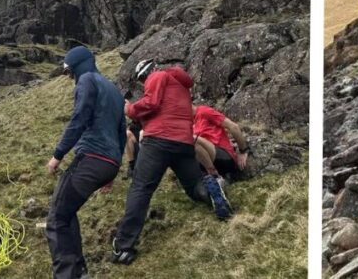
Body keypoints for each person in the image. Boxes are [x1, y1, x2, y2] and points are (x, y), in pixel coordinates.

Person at [111, 60, 231, 265]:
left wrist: (129, 109)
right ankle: (212, 191)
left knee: (141, 188)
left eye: (142, 78)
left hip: (158, 141)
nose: (143, 83)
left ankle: (123, 246)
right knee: (194, 186)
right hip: (183, 143)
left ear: (146, 72)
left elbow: (151, 103)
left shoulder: (157, 76)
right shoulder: (182, 87)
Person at [45, 45, 126, 279]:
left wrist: (58, 155)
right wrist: (113, 170)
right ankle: (79, 271)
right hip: (108, 163)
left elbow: (80, 117)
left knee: (57, 218)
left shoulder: (87, 80)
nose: (70, 78)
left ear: (77, 66)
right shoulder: (113, 89)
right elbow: (122, 133)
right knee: (67, 212)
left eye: (70, 72)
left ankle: (69, 275)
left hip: (90, 158)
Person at [193, 103, 251, 184]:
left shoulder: (204, 111)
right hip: (205, 162)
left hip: (224, 157)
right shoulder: (187, 123)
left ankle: (214, 176)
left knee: (192, 139)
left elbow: (233, 126)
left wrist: (243, 150)